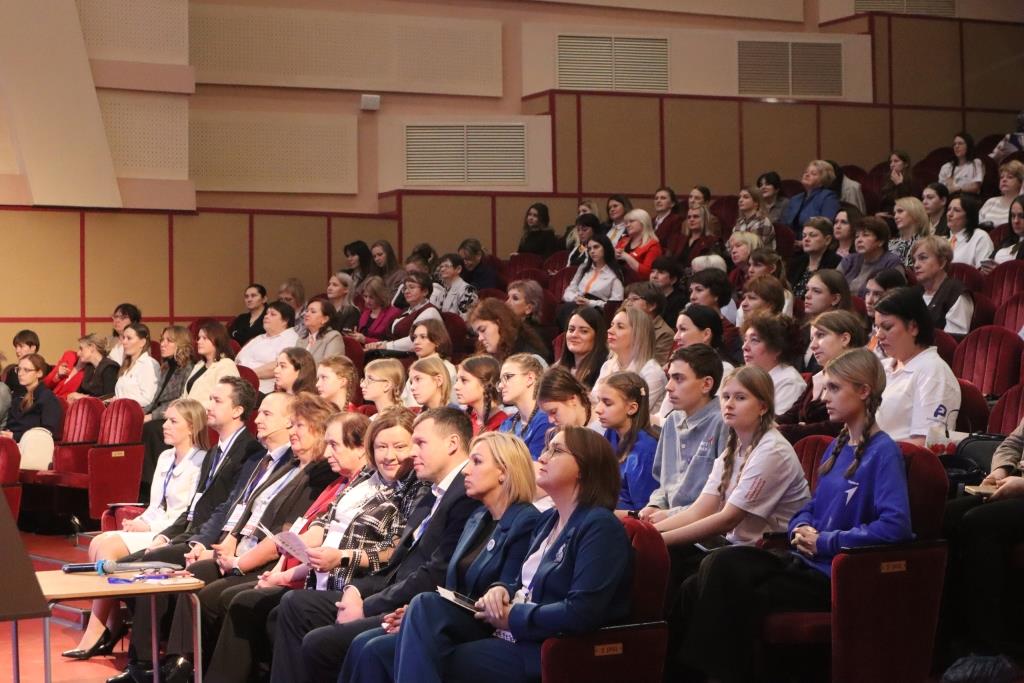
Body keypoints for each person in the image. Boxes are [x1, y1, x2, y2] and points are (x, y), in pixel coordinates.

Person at [670, 348, 911, 683]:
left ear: (863, 391)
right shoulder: (837, 446)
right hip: (803, 561)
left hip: (834, 574)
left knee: (722, 569)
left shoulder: (884, 451)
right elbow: (810, 507)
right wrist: (802, 526)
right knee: (698, 582)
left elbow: (896, 527)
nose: (824, 397)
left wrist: (825, 541)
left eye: (834, 388)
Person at [371, 426, 630, 683]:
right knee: (384, 645)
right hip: (511, 635)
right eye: (547, 449)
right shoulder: (548, 520)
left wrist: (512, 616)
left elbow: (582, 612)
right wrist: (501, 589)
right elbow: (521, 582)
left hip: (546, 648)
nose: (543, 457)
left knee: (431, 647)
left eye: (556, 451)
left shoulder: (599, 526)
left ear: (584, 467)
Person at [268, 408, 482, 683]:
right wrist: (357, 591)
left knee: (324, 643)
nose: (411, 453)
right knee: (293, 606)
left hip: (415, 605)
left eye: (418, 443)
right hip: (386, 591)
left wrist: (367, 605)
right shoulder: (433, 493)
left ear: (452, 443)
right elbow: (399, 562)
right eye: (382, 447)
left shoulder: (460, 495)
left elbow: (433, 572)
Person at [203, 411, 418, 683]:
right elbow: (323, 524)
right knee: (267, 611)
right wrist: (290, 554)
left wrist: (341, 558)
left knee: (285, 605)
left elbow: (394, 551)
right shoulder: (365, 478)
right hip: (321, 575)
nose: (389, 455)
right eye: (381, 447)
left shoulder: (411, 491)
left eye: (399, 446)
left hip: (356, 583)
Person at [157, 393, 338, 679]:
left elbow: (286, 533)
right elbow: (248, 508)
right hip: (249, 551)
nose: (292, 431)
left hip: (272, 561)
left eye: (298, 426)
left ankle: (204, 670)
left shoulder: (320, 474)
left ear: (317, 430)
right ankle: (181, 662)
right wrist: (228, 543)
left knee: (222, 597)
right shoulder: (289, 465)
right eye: (291, 424)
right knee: (195, 574)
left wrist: (240, 562)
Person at [340, 431, 542, 683]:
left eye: (477, 462)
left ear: (503, 471)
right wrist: (418, 616)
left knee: (425, 604)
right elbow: (451, 586)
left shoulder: (526, 520)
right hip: (457, 618)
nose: (466, 471)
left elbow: (507, 587)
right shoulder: (477, 518)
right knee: (368, 646)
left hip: (488, 625)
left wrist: (429, 613)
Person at [105, 378, 265, 683]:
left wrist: (199, 542)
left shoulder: (250, 451)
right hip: (192, 533)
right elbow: (195, 506)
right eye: (210, 399)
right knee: (124, 569)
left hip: (212, 539)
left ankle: (145, 663)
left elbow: (227, 508)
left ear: (237, 410)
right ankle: (148, 658)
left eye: (217, 400)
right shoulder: (216, 451)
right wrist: (167, 536)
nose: (209, 406)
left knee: (148, 568)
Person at [65, 399, 208, 660]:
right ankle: (113, 622)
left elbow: (186, 514)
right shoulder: (165, 457)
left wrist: (149, 526)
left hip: (172, 532)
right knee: (98, 542)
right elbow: (156, 505)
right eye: (165, 420)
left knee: (108, 548)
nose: (164, 426)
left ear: (191, 427)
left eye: (172, 421)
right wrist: (139, 521)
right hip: (153, 525)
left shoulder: (201, 461)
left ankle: (98, 631)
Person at [655, 365, 809, 587]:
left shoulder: (772, 450)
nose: (729, 404)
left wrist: (659, 539)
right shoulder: (733, 447)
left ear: (763, 407)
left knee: (699, 568)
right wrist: (651, 533)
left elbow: (728, 518)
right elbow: (700, 510)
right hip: (737, 548)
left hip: (774, 552)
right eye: (726, 396)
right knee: (672, 555)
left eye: (740, 397)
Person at [944, 409, 1024, 657]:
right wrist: (1001, 471)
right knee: (947, 515)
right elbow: (1012, 443)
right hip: (1016, 484)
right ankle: (948, 634)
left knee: (980, 522)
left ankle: (988, 646)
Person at [638, 344, 730, 526]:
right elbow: (664, 485)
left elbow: (722, 499)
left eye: (678, 379)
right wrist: (655, 505)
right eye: (669, 378)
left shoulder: (723, 423)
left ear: (706, 384)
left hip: (702, 526)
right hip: (670, 518)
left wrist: (670, 515)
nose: (668, 387)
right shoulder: (672, 420)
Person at [874, 287, 961, 446]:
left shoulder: (933, 372)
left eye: (887, 327)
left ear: (913, 327)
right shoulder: (881, 367)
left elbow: (926, 444)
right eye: (877, 327)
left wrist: (872, 452)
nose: (878, 335)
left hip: (898, 460)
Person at [778, 310, 866, 443]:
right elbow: (791, 415)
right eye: (811, 339)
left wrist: (787, 430)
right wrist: (763, 423)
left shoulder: (859, 377)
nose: (812, 346)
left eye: (820, 335)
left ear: (844, 339)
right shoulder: (818, 377)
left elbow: (839, 426)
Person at [139, 325, 196, 491]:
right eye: (162, 340)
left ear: (181, 343)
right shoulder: (167, 366)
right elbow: (156, 399)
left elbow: (179, 400)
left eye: (169, 341)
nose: (162, 344)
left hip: (173, 414)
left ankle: (151, 485)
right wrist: (141, 413)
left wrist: (152, 416)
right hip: (160, 411)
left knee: (151, 429)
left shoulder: (187, 368)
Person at [593, 371, 660, 512]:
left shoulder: (646, 449)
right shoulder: (611, 432)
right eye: (598, 401)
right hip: (605, 510)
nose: (598, 409)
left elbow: (642, 512)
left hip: (625, 520)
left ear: (631, 408)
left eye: (607, 403)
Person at [594, 307, 667, 415]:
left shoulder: (652, 373)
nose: (610, 331)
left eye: (620, 327)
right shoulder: (608, 365)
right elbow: (593, 402)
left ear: (638, 334)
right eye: (611, 325)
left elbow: (632, 414)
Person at [741, 313, 805, 416]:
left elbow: (776, 423)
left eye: (754, 340)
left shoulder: (789, 383)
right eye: (745, 340)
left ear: (777, 349)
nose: (744, 347)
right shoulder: (749, 378)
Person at [911, 236, 975, 336]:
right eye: (914, 260)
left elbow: (954, 339)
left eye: (923, 258)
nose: (916, 265)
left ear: (942, 262)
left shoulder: (955, 293)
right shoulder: (914, 292)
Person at [365, 272, 442, 356]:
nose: (406, 291)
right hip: (394, 354)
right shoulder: (404, 311)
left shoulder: (430, 311)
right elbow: (390, 338)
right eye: (405, 288)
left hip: (415, 357)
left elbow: (415, 341)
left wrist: (385, 346)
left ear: (425, 291)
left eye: (411, 287)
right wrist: (377, 344)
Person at [235, 301, 299, 394]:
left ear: (285, 321)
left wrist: (247, 375)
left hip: (262, 389)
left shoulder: (291, 338)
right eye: (266, 313)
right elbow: (238, 358)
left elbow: (278, 366)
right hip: (240, 383)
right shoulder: (260, 337)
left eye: (272, 314)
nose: (266, 316)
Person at [497, 353, 549, 459]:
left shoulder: (546, 420)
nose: (501, 386)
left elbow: (533, 465)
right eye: (500, 380)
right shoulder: (507, 424)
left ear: (530, 378)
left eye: (507, 377)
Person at [0, 353, 61, 442]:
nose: (20, 374)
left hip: (33, 446)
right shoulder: (18, 397)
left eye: (26, 370)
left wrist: (15, 436)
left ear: (39, 373)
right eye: (19, 369)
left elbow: (49, 432)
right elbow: (11, 425)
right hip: (11, 443)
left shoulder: (47, 398)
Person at [468, 298, 549, 364]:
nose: (480, 338)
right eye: (477, 333)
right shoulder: (489, 355)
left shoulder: (530, 358)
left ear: (499, 323)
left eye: (483, 330)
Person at [839, 216, 903, 297]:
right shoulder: (850, 260)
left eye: (865, 235)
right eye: (857, 236)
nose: (859, 240)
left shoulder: (892, 262)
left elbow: (896, 295)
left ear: (881, 241)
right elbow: (831, 284)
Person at [560, 233, 625, 311]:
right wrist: (575, 298)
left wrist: (590, 303)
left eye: (596, 247)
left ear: (606, 248)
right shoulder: (583, 268)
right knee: (564, 309)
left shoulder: (615, 273)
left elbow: (615, 304)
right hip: (577, 303)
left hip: (596, 309)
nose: (592, 251)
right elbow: (568, 292)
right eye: (589, 249)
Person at [400, 320, 456, 407]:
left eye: (423, 337)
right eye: (415, 337)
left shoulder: (447, 368)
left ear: (437, 341)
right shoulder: (415, 368)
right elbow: (404, 401)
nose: (416, 342)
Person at [184, 321, 239, 407]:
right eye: (199, 338)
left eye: (204, 338)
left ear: (218, 340)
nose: (199, 342)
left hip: (204, 413)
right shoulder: (200, 364)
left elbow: (224, 399)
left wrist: (193, 410)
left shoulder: (226, 365)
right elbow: (185, 396)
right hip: (189, 411)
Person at [689, 268, 740, 359]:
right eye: (691, 291)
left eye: (699, 290)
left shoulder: (729, 332)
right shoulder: (687, 324)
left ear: (716, 294)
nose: (692, 297)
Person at [555, 306, 608, 390]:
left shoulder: (605, 371)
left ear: (597, 336)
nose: (574, 335)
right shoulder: (558, 368)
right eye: (571, 330)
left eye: (584, 331)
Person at [789, 216, 842, 300]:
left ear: (827, 240)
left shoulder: (836, 264)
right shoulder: (796, 263)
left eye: (812, 235)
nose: (806, 239)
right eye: (804, 236)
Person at [623, 281, 673, 365]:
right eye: (627, 299)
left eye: (634, 299)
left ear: (652, 305)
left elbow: (656, 365)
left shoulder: (664, 333)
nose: (628, 304)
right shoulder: (626, 326)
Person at [456, 355, 508, 436]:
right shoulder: (466, 419)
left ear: (485, 384)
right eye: (457, 380)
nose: (456, 386)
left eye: (464, 380)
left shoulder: (503, 426)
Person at [782, 159, 840, 227]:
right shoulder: (795, 199)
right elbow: (783, 223)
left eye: (813, 174)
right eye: (806, 172)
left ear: (823, 180)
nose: (807, 175)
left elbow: (826, 225)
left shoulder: (828, 197)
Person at [113, 323, 160, 407]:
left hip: (137, 412)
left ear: (142, 342)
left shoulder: (148, 364)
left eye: (129, 338)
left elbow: (148, 399)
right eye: (123, 338)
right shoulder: (126, 365)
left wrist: (120, 400)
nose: (124, 342)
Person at [864, 268, 908, 354]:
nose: (869, 301)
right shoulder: (869, 328)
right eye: (868, 292)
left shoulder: (900, 334)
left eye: (877, 294)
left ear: (894, 295)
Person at [348, 276, 402, 345]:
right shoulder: (365, 313)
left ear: (380, 296)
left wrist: (365, 340)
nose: (367, 301)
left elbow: (391, 343)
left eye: (371, 297)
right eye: (365, 296)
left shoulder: (394, 313)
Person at [66, 333, 119, 402]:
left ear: (92, 347)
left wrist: (84, 397)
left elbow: (109, 398)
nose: (78, 353)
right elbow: (80, 391)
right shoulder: (89, 367)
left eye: (81, 349)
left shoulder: (109, 368)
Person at [948, 193, 994, 269]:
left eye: (956, 210)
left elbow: (984, 271)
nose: (949, 214)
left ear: (969, 216)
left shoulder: (980, 237)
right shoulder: (943, 239)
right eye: (949, 209)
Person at [615, 208, 662, 279]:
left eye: (631, 221)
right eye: (626, 223)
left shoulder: (653, 245)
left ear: (643, 222)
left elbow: (648, 273)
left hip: (639, 284)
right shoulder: (624, 240)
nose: (627, 225)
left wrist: (627, 257)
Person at [433, 253, 479, 319]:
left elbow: (466, 318)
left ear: (458, 269)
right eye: (441, 267)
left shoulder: (468, 290)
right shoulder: (443, 291)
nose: (442, 269)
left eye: (446, 266)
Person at [299, 298, 344, 363]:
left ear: (325, 319)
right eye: (307, 311)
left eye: (313, 312)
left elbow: (330, 365)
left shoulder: (333, 337)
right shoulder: (301, 339)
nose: (306, 314)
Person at [979, 160, 1024, 227]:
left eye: (1010, 177)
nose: (1004, 180)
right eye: (1001, 177)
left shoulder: (1022, 204)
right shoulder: (990, 202)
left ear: (1020, 182)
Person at [889, 196, 930, 268]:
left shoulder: (927, 244)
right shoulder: (890, 244)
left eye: (900, 211)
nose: (895, 217)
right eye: (895, 213)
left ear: (915, 213)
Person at [732, 185, 775, 250]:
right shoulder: (740, 222)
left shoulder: (763, 222)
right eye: (740, 197)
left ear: (756, 202)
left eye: (746, 197)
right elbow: (730, 245)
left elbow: (755, 248)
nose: (740, 200)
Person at [650, 257, 688, 327]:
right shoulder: (646, 294)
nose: (654, 276)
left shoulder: (679, 301)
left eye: (661, 272)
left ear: (673, 279)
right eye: (652, 271)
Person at [990, 195, 1024, 268]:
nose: (1016, 221)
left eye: (1021, 216)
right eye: (1013, 216)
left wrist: (999, 270)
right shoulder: (1007, 240)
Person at [726, 231, 762, 297]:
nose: (733, 251)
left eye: (738, 246)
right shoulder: (734, 274)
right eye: (731, 248)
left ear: (752, 246)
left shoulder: (762, 272)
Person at [879, 150, 914, 215]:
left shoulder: (912, 182)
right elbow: (883, 203)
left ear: (905, 164)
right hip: (886, 215)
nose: (892, 165)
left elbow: (908, 204)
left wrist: (899, 184)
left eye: (896, 161)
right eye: (891, 162)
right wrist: (878, 213)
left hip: (903, 215)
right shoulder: (887, 180)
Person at [653, 186, 683, 250]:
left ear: (672, 204)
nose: (658, 201)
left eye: (663, 198)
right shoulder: (651, 221)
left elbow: (672, 246)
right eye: (656, 198)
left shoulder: (676, 220)